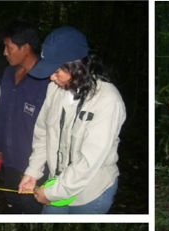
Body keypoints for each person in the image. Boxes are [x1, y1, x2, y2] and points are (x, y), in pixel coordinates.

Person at [18, 26, 126, 214]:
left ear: (76, 66)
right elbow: (43, 133)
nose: (51, 78)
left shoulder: (107, 101)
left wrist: (51, 193)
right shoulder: (55, 90)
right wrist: (33, 171)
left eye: (56, 71)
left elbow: (88, 162)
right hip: (56, 183)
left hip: (90, 191)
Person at [0, 18, 50, 214]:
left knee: (31, 206)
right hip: (10, 158)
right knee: (13, 200)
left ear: (25, 47)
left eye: (9, 47)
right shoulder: (8, 73)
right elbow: (2, 112)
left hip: (35, 162)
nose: (4, 52)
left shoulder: (48, 78)